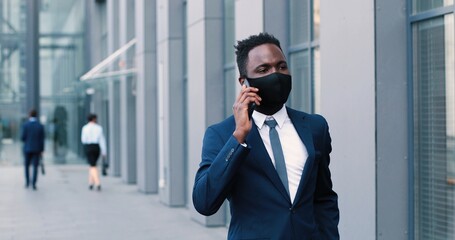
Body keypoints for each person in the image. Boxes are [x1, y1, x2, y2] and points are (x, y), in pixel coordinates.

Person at [192, 33, 339, 239]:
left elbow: (323, 197)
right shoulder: (221, 134)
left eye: (281, 66)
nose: (276, 74)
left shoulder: (315, 127)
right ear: (244, 82)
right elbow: (204, 202)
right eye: (263, 69)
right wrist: (239, 137)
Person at [81, 113, 106, 191]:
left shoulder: (85, 128)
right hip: (96, 147)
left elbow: (83, 139)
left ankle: (97, 183)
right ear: (94, 119)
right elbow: (102, 140)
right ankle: (91, 183)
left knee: (92, 165)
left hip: (88, 147)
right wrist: (104, 151)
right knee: (93, 165)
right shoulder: (99, 128)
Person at [21, 109, 45, 190]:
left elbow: (22, 138)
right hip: (37, 149)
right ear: (36, 115)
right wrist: (42, 150)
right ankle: (34, 184)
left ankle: (27, 182)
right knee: (35, 166)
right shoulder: (40, 125)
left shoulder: (25, 125)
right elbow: (42, 139)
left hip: (27, 148)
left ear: (29, 115)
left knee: (27, 166)